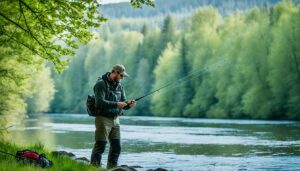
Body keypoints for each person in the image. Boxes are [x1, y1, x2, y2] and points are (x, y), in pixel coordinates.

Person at [90, 64, 136, 169]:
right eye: (121, 75)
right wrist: (116, 104)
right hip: (103, 118)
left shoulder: (120, 86)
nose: (122, 78)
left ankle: (112, 169)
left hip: (116, 120)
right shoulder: (101, 84)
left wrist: (129, 105)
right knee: (100, 146)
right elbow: (99, 102)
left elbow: (123, 103)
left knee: (116, 147)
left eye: (123, 76)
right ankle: (93, 168)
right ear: (114, 72)